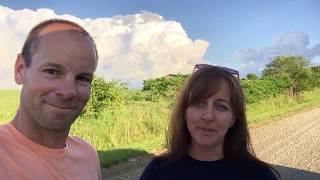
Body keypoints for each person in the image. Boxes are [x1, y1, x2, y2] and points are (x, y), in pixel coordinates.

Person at [0, 19, 102, 180]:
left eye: (82, 78)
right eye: (52, 71)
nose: (68, 92)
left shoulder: (88, 155)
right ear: (20, 70)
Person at [140, 64, 280, 180]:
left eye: (221, 106)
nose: (208, 116)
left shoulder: (258, 175)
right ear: (185, 112)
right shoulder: (157, 171)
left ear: (233, 119)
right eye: (199, 104)